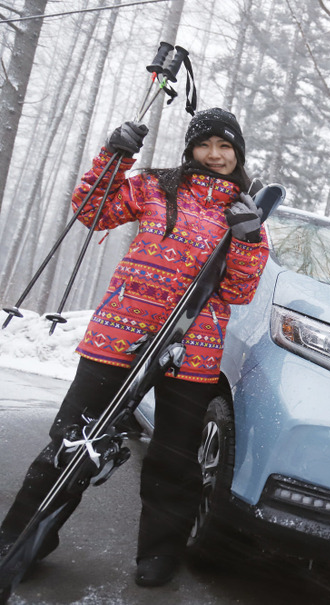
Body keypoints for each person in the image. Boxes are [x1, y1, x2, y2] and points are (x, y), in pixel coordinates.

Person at [0, 108, 269, 588]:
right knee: (71, 440)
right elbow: (92, 211)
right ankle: (23, 537)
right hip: (118, 335)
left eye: (224, 146)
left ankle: (159, 553)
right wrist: (115, 155)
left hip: (194, 348)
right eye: (204, 144)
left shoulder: (247, 213)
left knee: (173, 456)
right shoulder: (154, 187)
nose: (214, 155)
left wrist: (247, 241)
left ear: (238, 154)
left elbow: (240, 292)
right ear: (190, 150)